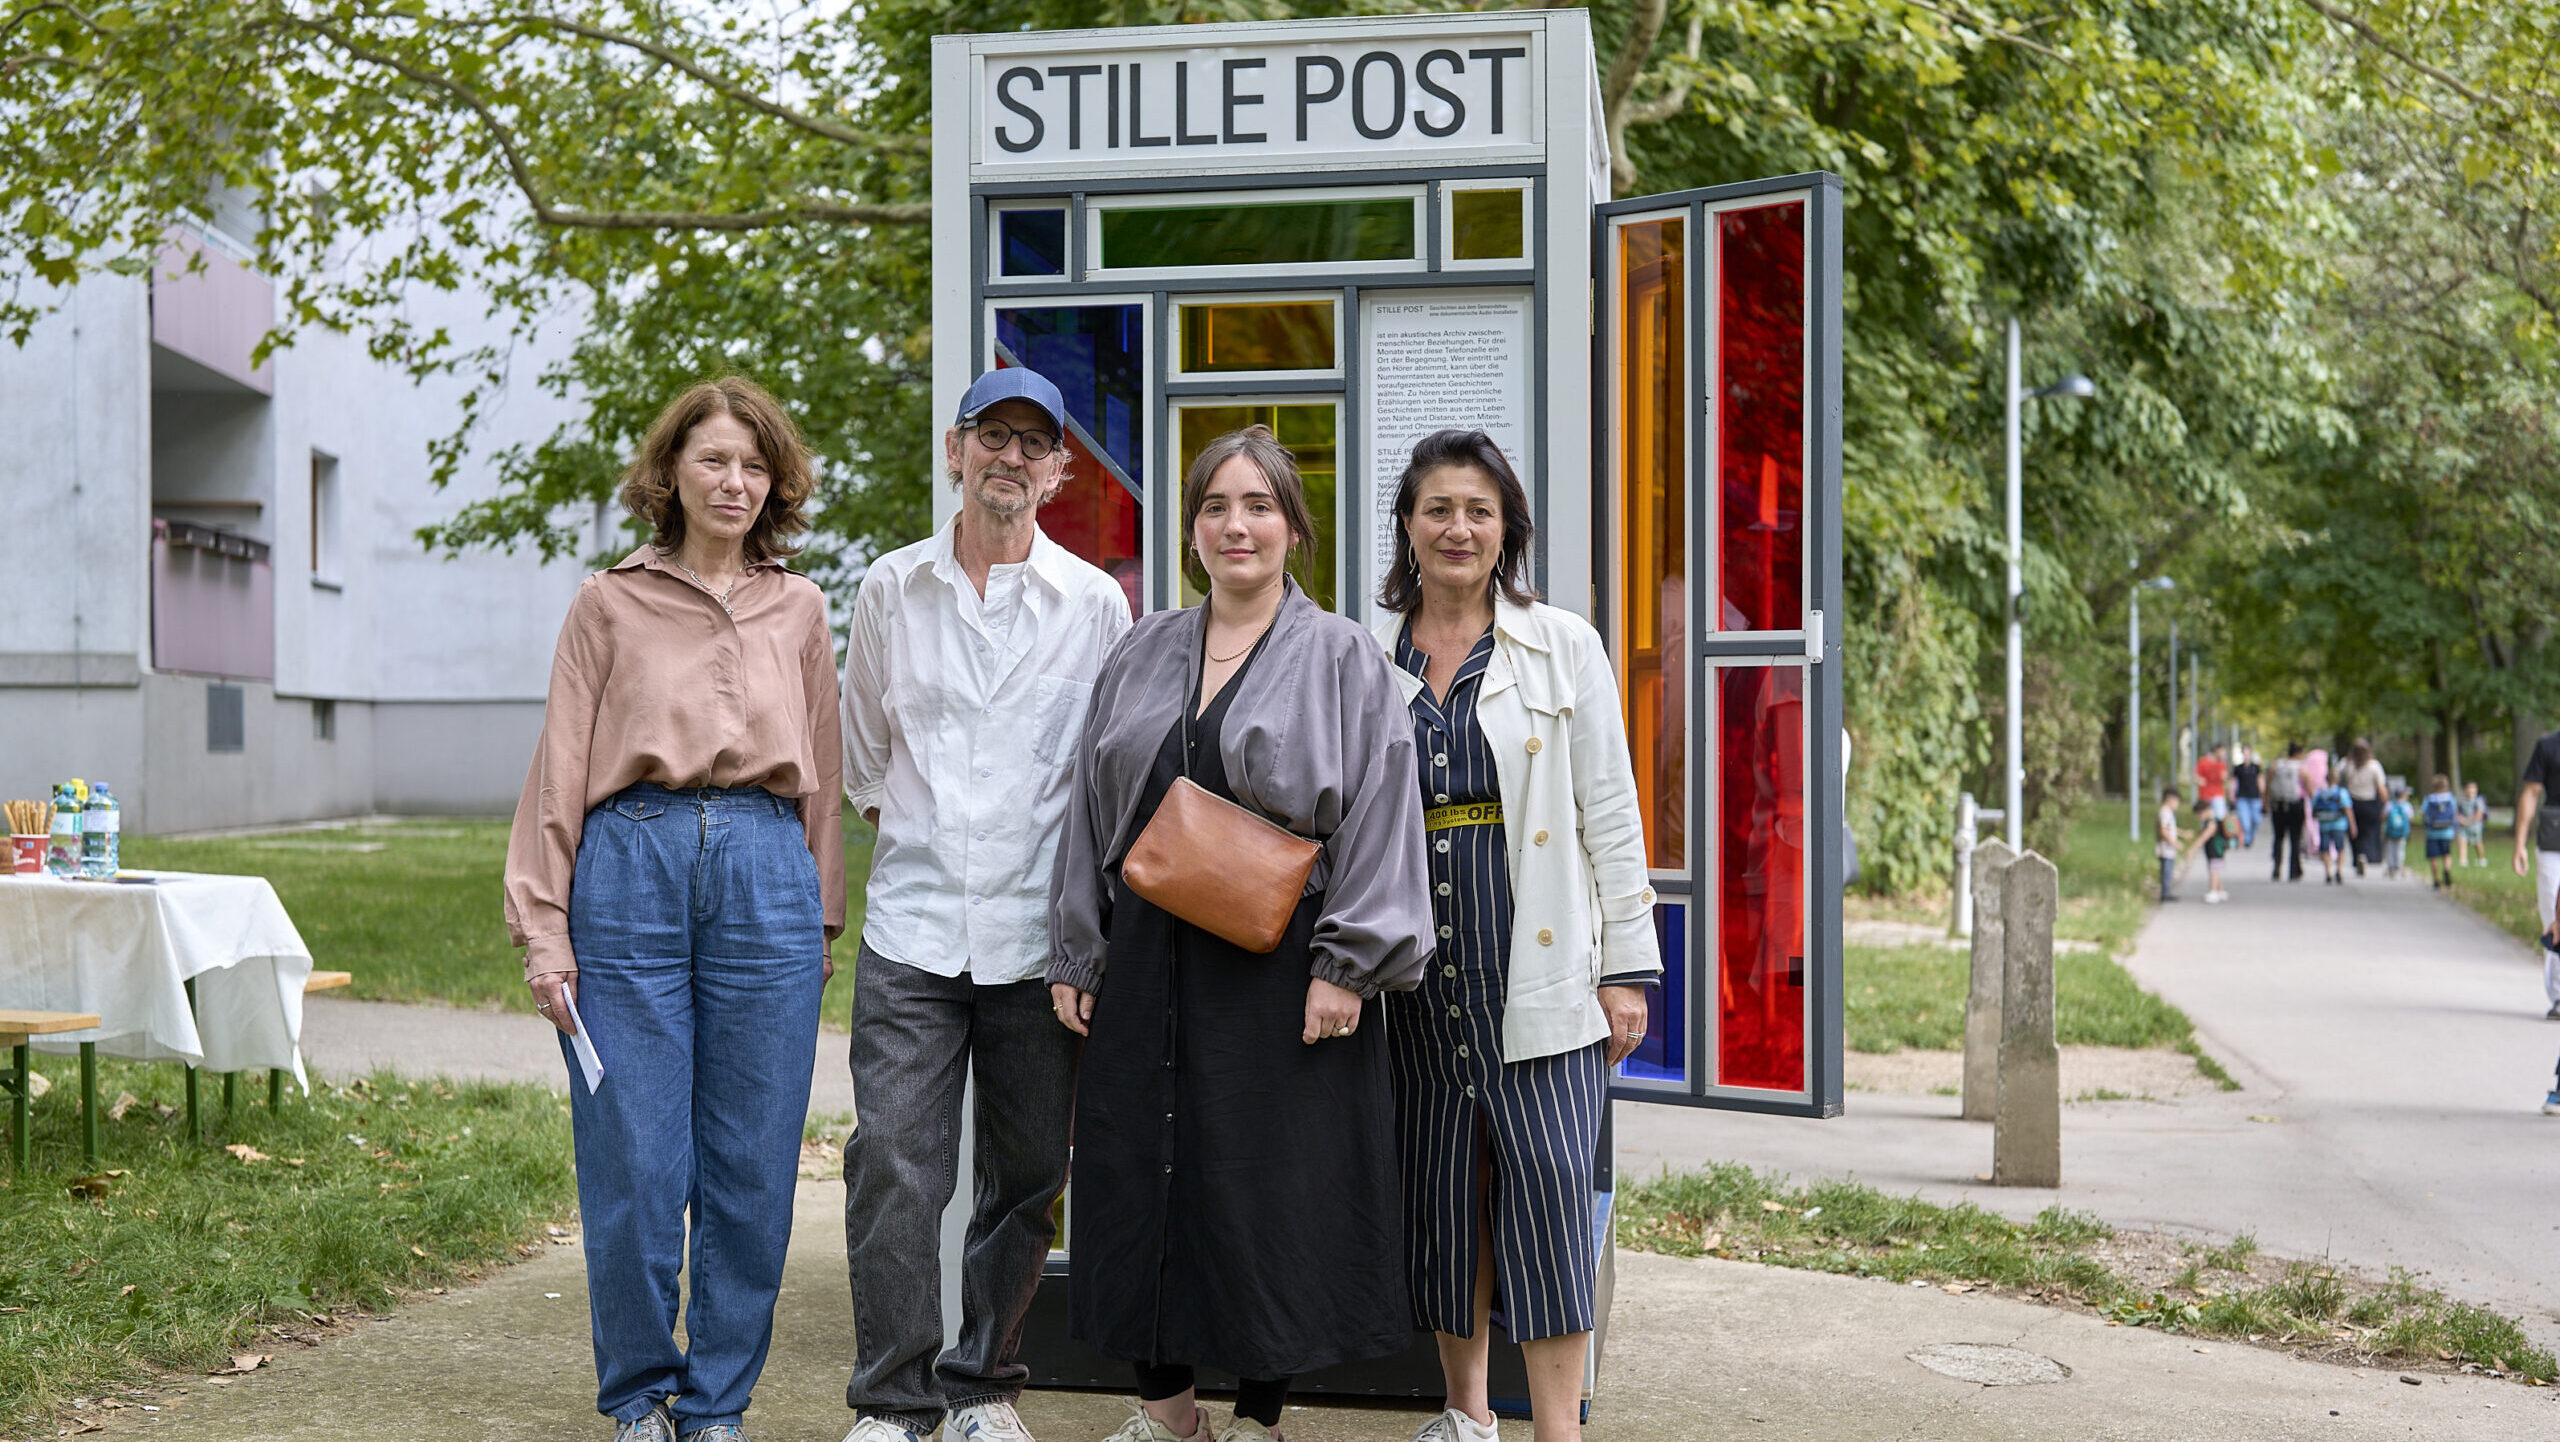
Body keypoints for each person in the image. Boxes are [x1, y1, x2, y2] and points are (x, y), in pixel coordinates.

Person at [1047, 425, 1434, 1442]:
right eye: (1215, 506)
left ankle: (1260, 1417)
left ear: (1293, 527)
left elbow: (1382, 812)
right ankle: (1168, 1415)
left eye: (1259, 505)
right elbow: (1088, 804)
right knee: (1139, 1174)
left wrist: (1346, 966)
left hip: (1280, 965)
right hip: (1145, 957)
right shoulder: (1142, 648)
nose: (1236, 525)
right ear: (1191, 530)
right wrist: (1079, 950)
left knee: (1271, 1190)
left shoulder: (1340, 653)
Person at [503, 377, 844, 1442]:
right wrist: (544, 929)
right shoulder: (607, 602)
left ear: (775, 483)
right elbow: (559, 769)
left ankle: (718, 1403)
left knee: (752, 1164)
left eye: (754, 465)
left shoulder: (802, 607)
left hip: (766, 875)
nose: (734, 481)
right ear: (672, 473)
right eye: (713, 460)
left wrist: (819, 921)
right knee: (636, 1158)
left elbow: (824, 774)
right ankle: (639, 1394)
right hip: (630, 868)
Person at [836, 367, 1134, 1442]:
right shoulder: (889, 589)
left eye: (1033, 442)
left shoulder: (1096, 605)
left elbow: (1104, 776)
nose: (1010, 455)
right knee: (892, 1165)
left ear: (1058, 472)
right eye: (991, 435)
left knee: (1025, 1176)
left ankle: (981, 1387)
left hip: (1036, 943)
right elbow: (866, 759)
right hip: (911, 930)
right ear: (954, 451)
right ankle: (892, 1399)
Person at [1367, 431, 1661, 1442]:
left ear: (1507, 531)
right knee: (1446, 1197)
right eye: (1438, 509)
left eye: (1478, 511)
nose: (1458, 528)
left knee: (1547, 1193)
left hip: (1540, 967)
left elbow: (1610, 813)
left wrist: (1626, 968)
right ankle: (1465, 1413)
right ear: (1408, 525)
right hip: (1419, 981)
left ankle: (1555, 1429)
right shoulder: (1371, 655)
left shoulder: (1562, 644)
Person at [2510, 725, 2560, 1021]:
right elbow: (2531, 792)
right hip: (2554, 843)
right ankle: (2559, 995)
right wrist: (2520, 843)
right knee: (2554, 915)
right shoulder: (2548, 745)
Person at [2341, 741, 2389, 877]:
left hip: (2352, 803)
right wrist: (2386, 804)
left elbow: (2343, 783)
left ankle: (2357, 855)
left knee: (2353, 832)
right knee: (2368, 832)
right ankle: (2364, 854)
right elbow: (2381, 788)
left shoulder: (2348, 766)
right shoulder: (2374, 766)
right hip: (2369, 803)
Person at [2266, 742, 2307, 882]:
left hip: (2278, 805)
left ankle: (2276, 867)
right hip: (2295, 805)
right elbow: (2310, 787)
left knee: (2278, 837)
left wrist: (2266, 801)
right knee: (2295, 839)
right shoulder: (2301, 768)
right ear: (2299, 753)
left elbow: (2268, 785)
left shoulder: (2276, 765)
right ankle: (2294, 871)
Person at [2190, 797, 2236, 903]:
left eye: (2199, 815)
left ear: (2205, 811)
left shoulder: (2212, 823)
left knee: (2213, 871)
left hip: (2215, 850)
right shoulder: (2214, 820)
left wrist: (2193, 849)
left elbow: (2204, 837)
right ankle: (2221, 891)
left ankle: (2213, 891)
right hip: (2216, 851)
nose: (2199, 818)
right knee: (2215, 871)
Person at [2312, 772, 2355, 885]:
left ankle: (2327, 872)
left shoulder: (2320, 792)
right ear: (2337, 779)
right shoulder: (2341, 792)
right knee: (2340, 848)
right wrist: (2352, 825)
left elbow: (2314, 808)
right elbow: (2348, 809)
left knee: (2325, 849)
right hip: (2339, 824)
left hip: (2324, 825)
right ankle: (2339, 870)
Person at [2420, 774, 2460, 891]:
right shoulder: (2450, 798)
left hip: (2432, 832)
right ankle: (2446, 870)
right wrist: (2455, 830)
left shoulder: (2429, 799)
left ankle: (2436, 879)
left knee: (2433, 856)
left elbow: (2423, 813)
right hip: (2447, 832)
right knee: (2446, 854)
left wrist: (2426, 824)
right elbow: (2455, 814)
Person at [2156, 785, 2186, 902]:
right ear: (2170, 799)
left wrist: (2183, 834)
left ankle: (2167, 892)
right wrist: (2175, 843)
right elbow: (2163, 831)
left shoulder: (2168, 813)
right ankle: (2165, 894)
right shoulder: (2165, 813)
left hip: (2168, 848)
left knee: (2168, 870)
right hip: (2165, 848)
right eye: (2177, 802)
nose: (2177, 805)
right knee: (2166, 871)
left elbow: (2172, 828)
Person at [2231, 746, 2264, 848]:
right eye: (2244, 753)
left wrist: (2263, 794)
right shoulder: (2238, 768)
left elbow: (2260, 780)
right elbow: (2233, 782)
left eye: (2247, 753)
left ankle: (2251, 835)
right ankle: (2247, 840)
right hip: (2242, 798)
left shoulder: (2256, 768)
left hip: (2255, 797)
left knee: (2256, 819)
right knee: (2245, 822)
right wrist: (2232, 794)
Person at [2456, 780, 2489, 867]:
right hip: (2464, 826)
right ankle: (2463, 860)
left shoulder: (2478, 801)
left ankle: (2481, 859)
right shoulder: (2461, 802)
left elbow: (2479, 814)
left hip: (2475, 827)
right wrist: (2462, 820)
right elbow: (2457, 813)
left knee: (2477, 843)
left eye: (2472, 791)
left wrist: (2469, 821)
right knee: (2462, 841)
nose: (2470, 792)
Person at [2196, 743, 2230, 821]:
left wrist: (2225, 778)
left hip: (2218, 794)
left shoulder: (2222, 764)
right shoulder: (2203, 761)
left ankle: (2218, 828)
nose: (2224, 754)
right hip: (2205, 795)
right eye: (2222, 751)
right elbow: (2196, 776)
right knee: (2205, 818)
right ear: (2216, 751)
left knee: (2220, 817)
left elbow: (2224, 779)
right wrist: (2199, 780)